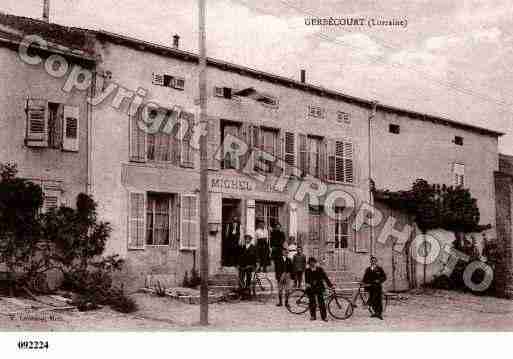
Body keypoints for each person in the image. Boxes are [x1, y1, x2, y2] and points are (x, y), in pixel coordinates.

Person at [305, 257, 333, 322]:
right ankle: (313, 316)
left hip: (319, 287)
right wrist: (307, 284)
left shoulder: (320, 269)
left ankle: (324, 317)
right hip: (311, 288)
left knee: (321, 303)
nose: (312, 264)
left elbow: (325, 277)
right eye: (310, 262)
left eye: (313, 262)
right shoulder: (307, 270)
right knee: (312, 302)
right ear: (309, 263)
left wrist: (330, 285)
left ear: (315, 262)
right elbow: (306, 280)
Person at [362, 256, 387, 320]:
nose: (373, 262)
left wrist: (379, 280)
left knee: (378, 300)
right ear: (370, 261)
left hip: (377, 286)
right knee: (374, 299)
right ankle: (375, 313)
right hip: (370, 287)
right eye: (372, 261)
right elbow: (364, 278)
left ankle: (379, 313)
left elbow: (384, 277)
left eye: (374, 261)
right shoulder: (368, 269)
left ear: (376, 261)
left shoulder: (379, 269)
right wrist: (363, 283)